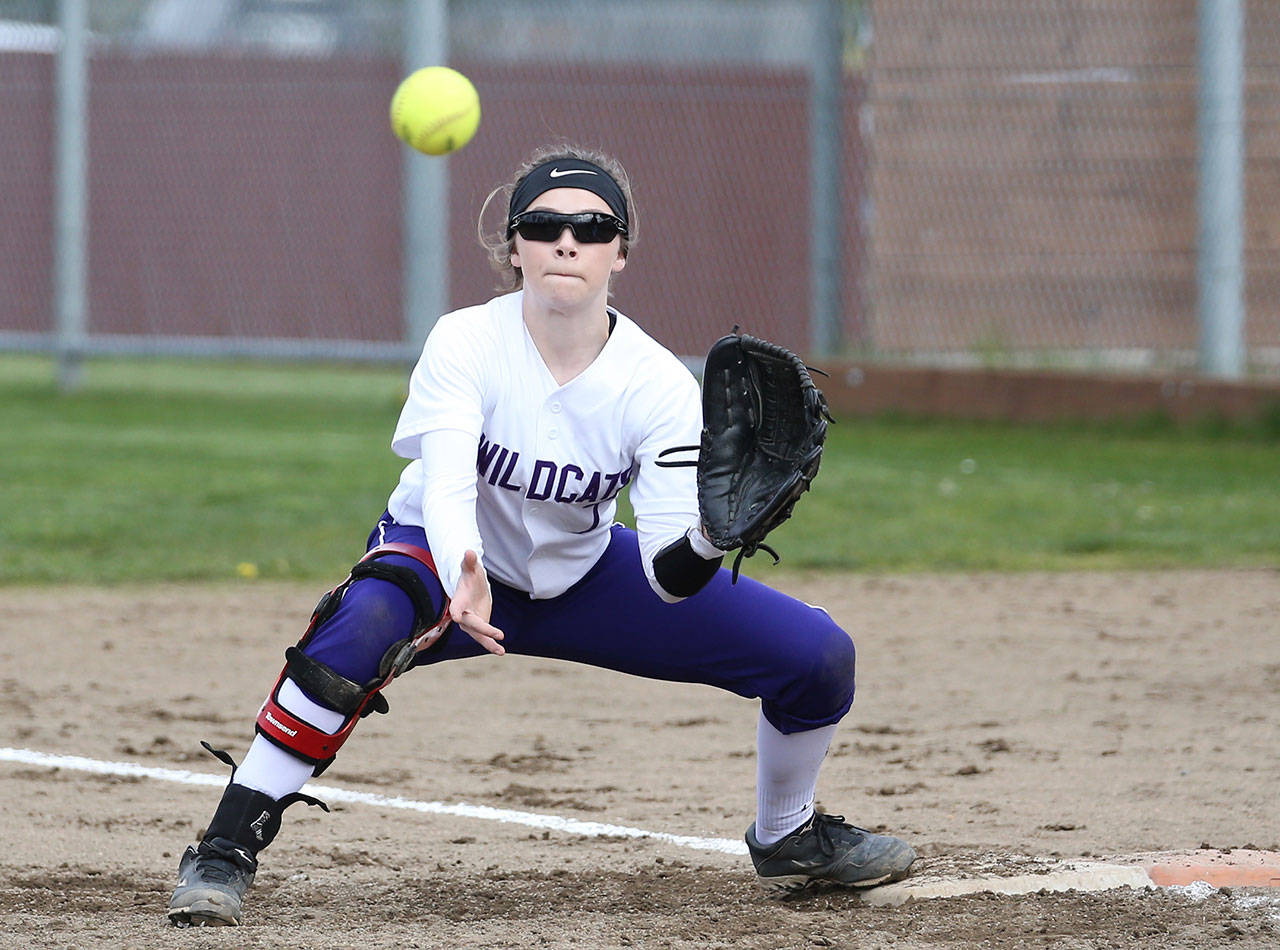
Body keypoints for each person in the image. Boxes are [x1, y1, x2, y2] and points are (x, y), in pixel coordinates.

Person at [167, 144, 916, 927]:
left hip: (583, 574)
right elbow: (449, 475)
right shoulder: (466, 340)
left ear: (620, 252)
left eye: (593, 227)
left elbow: (666, 574)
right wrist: (463, 568)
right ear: (514, 247)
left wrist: (703, 540)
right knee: (359, 627)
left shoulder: (656, 384)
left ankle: (789, 836)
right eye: (545, 223)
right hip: (441, 555)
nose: (568, 241)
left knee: (818, 657)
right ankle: (223, 853)